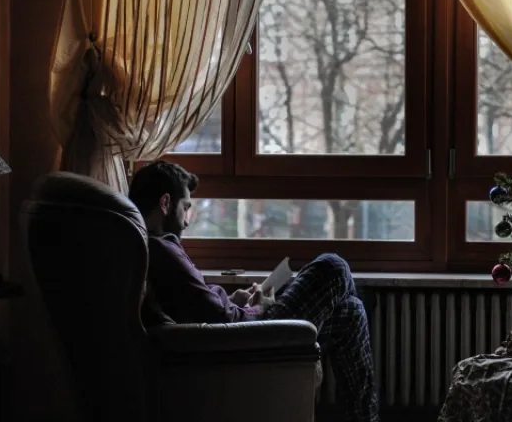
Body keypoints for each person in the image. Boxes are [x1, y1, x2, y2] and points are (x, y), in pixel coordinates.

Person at [128, 160, 379, 422]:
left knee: (350, 311)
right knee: (333, 266)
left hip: (237, 331)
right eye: (185, 208)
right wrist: (259, 307)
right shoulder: (160, 250)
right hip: (246, 339)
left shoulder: (150, 249)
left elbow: (195, 302)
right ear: (166, 203)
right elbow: (218, 319)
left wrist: (232, 300)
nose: (187, 222)